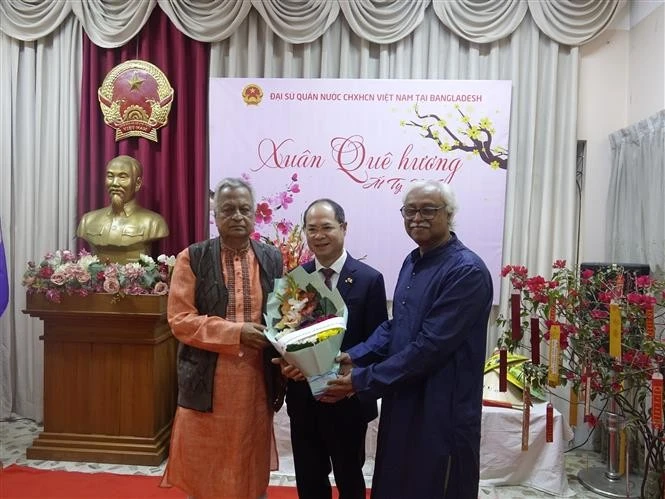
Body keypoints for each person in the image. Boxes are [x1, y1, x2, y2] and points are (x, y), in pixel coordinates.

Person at [322, 180, 493, 499]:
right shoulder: (413, 261)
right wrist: (354, 355)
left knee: (434, 486)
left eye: (429, 209)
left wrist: (361, 379)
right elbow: (397, 326)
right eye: (410, 210)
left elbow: (430, 346)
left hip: (441, 408)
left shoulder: (466, 271)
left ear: (449, 214)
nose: (418, 217)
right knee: (395, 483)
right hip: (403, 399)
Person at [161, 178, 285, 499]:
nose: (238, 216)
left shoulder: (272, 258)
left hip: (256, 380)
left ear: (255, 214)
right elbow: (180, 320)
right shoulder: (193, 258)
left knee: (247, 455)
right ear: (215, 215)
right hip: (207, 377)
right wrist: (236, 333)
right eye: (228, 210)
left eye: (245, 209)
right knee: (206, 460)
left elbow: (283, 314)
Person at [276, 199, 388, 499]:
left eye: (327, 227)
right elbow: (287, 334)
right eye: (311, 229)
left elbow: (380, 339)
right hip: (303, 399)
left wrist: (354, 379)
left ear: (343, 227)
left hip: (347, 399)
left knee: (350, 478)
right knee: (310, 480)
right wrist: (288, 363)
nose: (319, 235)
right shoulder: (296, 278)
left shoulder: (369, 279)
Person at [76, 155, 168, 263]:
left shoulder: (154, 223)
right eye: (110, 176)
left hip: (135, 279)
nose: (115, 183)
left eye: (122, 177)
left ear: (137, 183)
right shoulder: (88, 220)